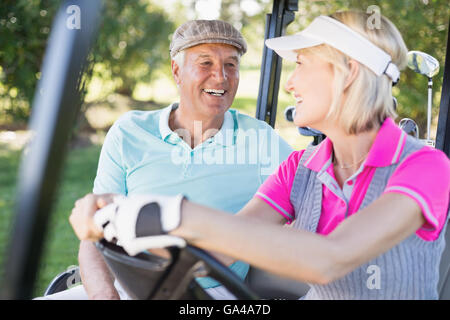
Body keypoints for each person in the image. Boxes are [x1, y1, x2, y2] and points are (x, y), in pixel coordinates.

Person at [70, 11, 450, 300]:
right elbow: (216, 249)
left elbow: (329, 258)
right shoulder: (298, 169)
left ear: (347, 73)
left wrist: (168, 213)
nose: (290, 83)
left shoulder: (425, 167)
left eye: (301, 65)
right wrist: (117, 223)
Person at [40, 20, 293, 300]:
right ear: (176, 71)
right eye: (205, 63)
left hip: (209, 293)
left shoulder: (261, 139)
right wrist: (104, 295)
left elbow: (309, 201)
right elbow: (93, 233)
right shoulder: (129, 131)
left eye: (231, 64)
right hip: (124, 285)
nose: (221, 77)